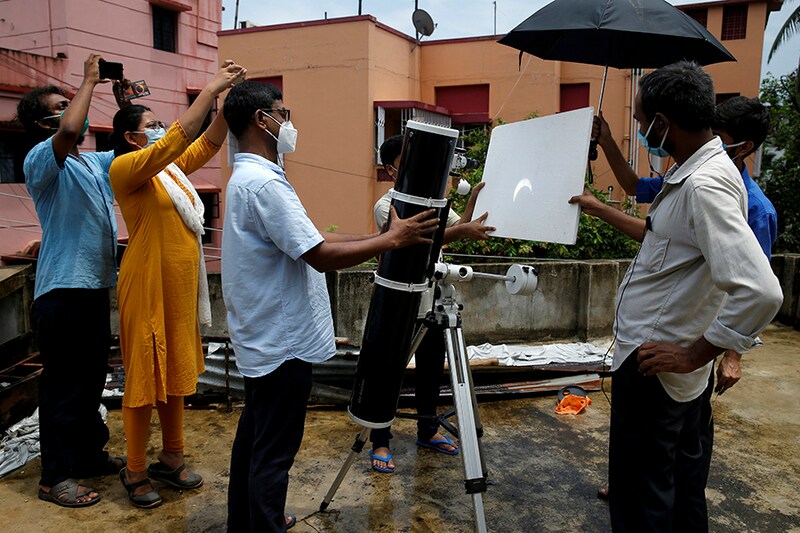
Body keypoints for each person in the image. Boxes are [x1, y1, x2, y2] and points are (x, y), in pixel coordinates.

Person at [221, 80, 441, 532]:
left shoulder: (250, 178)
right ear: (261, 121)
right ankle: (265, 526)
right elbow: (319, 255)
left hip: (263, 339)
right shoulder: (263, 183)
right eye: (283, 114)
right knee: (274, 452)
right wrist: (392, 240)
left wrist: (380, 239)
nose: (289, 123)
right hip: (281, 345)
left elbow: (315, 237)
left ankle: (245, 522)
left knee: (255, 440)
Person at [572, 61, 782, 532]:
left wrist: (695, 355)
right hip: (670, 370)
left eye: (645, 124)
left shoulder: (704, 185)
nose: (644, 132)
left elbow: (761, 290)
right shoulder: (697, 171)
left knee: (642, 497)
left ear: (664, 123)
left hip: (657, 366)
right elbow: (659, 237)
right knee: (681, 488)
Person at [109, 61, 246, 509]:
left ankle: (171, 455)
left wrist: (226, 106)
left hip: (179, 290)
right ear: (132, 137)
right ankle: (134, 469)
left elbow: (207, 141)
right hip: (146, 286)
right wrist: (208, 90)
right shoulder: (129, 168)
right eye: (151, 125)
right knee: (145, 379)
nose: (160, 129)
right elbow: (180, 138)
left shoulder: (169, 170)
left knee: (173, 377)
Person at [18, 53, 125, 508]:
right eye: (61, 105)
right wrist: (86, 82)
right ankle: (54, 477)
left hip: (92, 288)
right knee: (63, 386)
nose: (73, 112)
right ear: (45, 123)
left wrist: (122, 103)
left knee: (89, 381)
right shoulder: (43, 159)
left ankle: (87, 455)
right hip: (61, 291)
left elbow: (128, 151)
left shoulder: (89, 163)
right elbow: (67, 130)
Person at [369, 134, 494, 473]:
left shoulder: (438, 202)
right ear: (392, 168)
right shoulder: (388, 205)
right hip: (399, 302)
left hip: (433, 300)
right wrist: (462, 230)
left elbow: (459, 226)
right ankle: (380, 440)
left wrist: (474, 202)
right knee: (389, 373)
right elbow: (422, 239)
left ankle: (427, 430)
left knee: (430, 371)